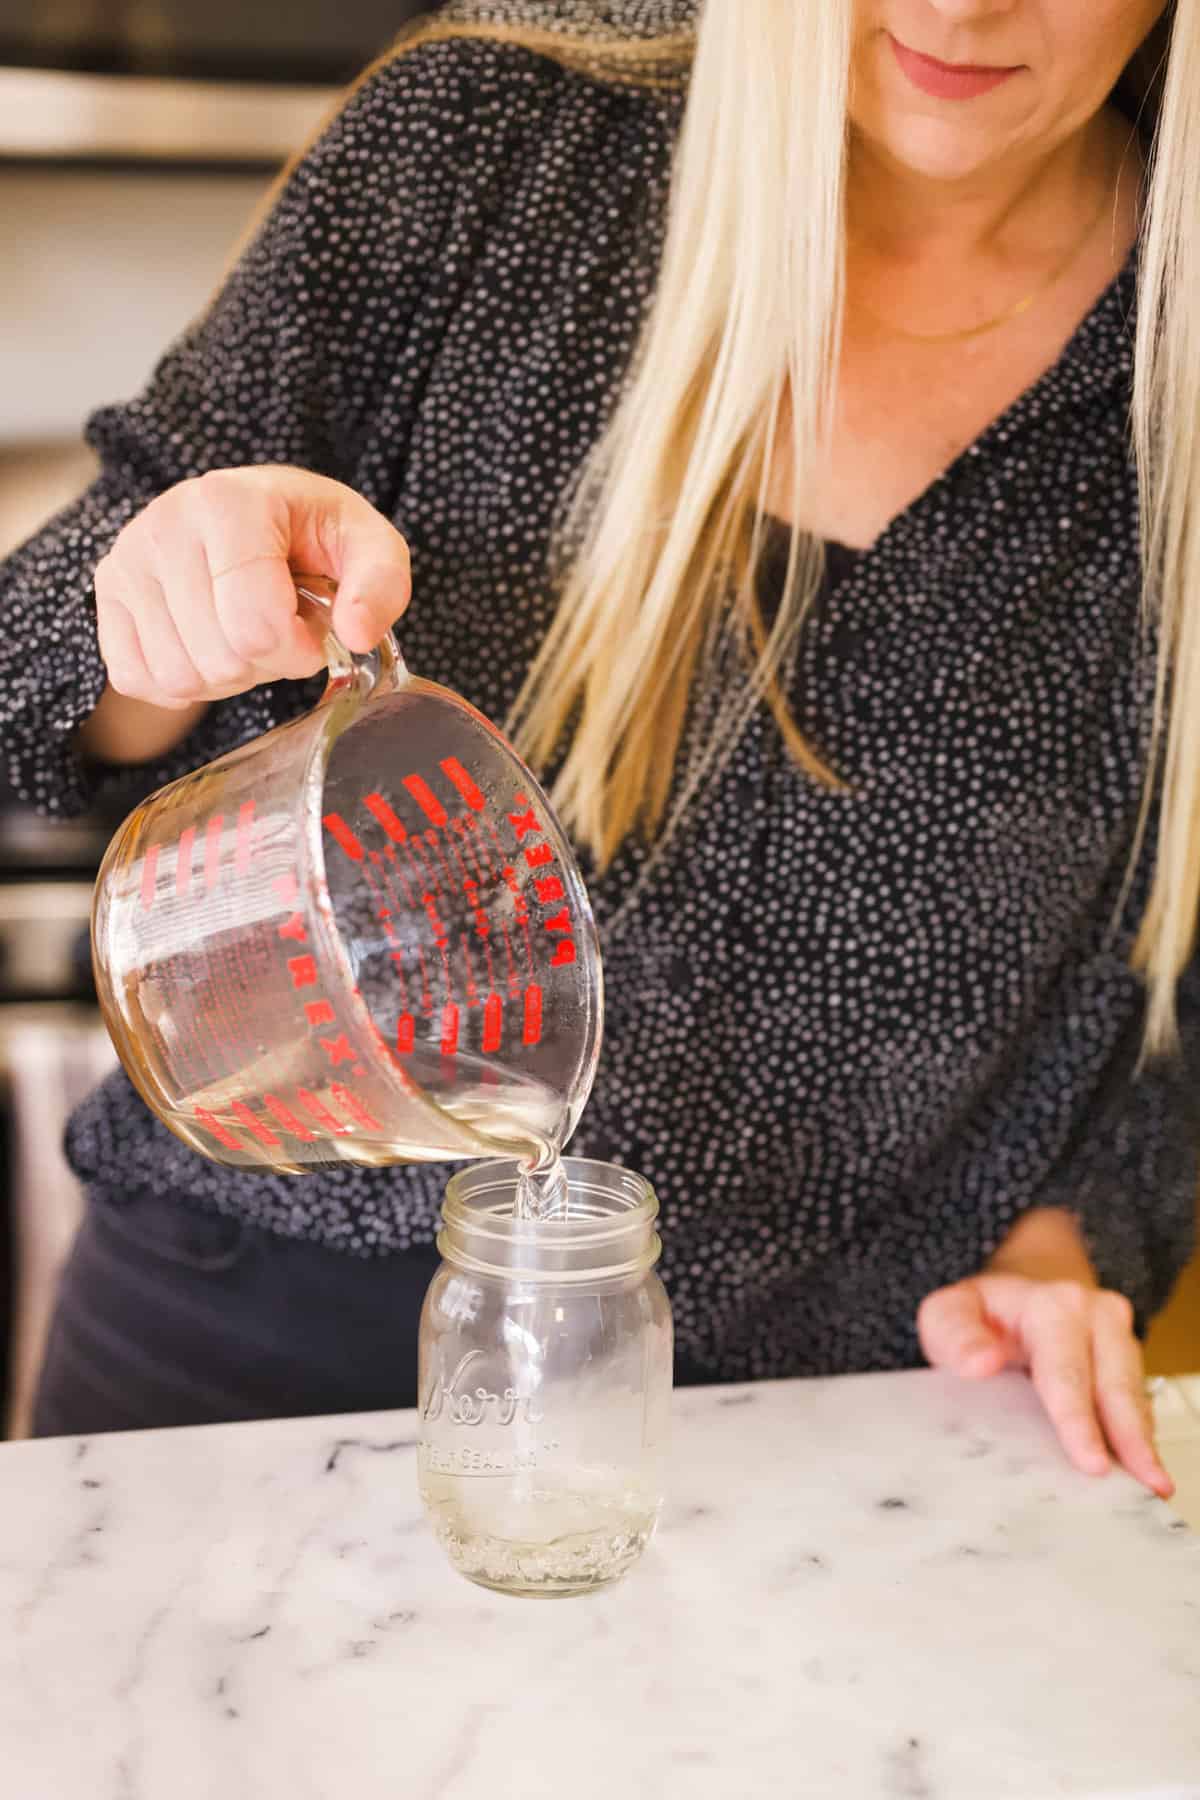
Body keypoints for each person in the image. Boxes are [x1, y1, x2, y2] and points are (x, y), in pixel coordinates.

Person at [1, 0, 1194, 1499]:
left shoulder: (1177, 342)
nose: (963, 6)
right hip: (243, 1355)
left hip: (846, 1422)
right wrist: (157, 609)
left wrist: (1074, 1227)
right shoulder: (490, 144)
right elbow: (24, 675)